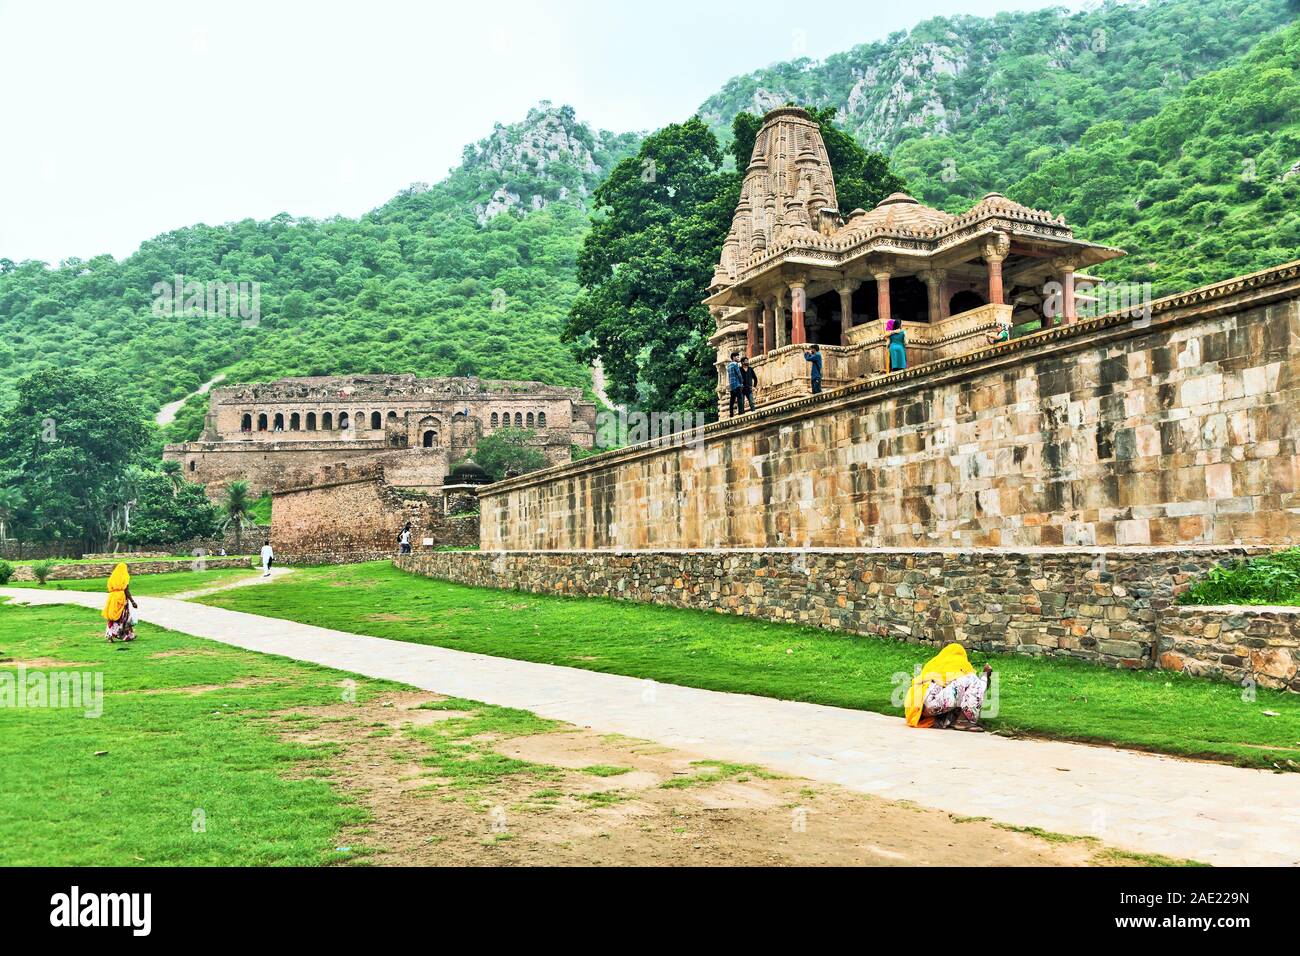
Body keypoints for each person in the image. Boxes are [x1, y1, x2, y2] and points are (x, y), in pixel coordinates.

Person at [904, 643, 992, 731]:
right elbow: (977, 689)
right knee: (972, 679)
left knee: (964, 693)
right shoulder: (960, 664)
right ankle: (963, 721)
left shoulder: (934, 663)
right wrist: (985, 676)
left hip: (920, 708)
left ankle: (944, 720)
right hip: (932, 703)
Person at [101, 562, 138, 643]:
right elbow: (126, 590)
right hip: (121, 598)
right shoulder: (124, 577)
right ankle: (122, 634)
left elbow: (109, 589)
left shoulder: (112, 578)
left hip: (112, 598)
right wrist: (132, 601)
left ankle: (110, 635)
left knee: (113, 617)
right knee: (123, 617)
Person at [726, 351, 745, 417]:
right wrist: (742, 381)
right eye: (737, 357)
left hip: (732, 385)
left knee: (732, 400)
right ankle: (741, 412)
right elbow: (738, 374)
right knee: (740, 398)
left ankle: (731, 413)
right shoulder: (735, 364)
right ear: (733, 357)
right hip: (737, 384)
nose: (738, 358)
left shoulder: (728, 366)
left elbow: (729, 376)